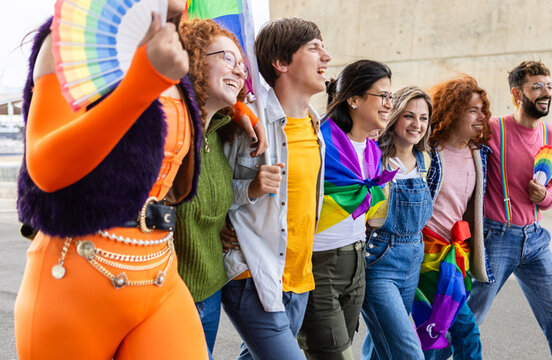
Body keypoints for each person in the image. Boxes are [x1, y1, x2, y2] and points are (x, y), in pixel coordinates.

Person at [14, 3, 209, 359]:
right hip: (74, 279)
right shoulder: (70, 39)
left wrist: (240, 111)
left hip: (160, 272)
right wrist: (143, 82)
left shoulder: (167, 49)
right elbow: (45, 168)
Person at [220, 17, 330, 360]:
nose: (326, 57)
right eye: (314, 48)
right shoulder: (248, 123)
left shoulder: (314, 123)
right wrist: (247, 191)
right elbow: (211, 185)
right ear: (281, 63)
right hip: (254, 277)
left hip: (299, 280)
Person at [468, 61, 552, 359]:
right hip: (495, 238)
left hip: (535, 240)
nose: (545, 93)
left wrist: (544, 195)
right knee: (467, 321)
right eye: (537, 87)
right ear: (517, 94)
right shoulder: (493, 129)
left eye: (549, 86)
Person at [297, 59, 396, 360]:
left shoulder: (373, 151)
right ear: (353, 99)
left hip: (357, 264)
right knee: (335, 354)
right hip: (318, 266)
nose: (389, 104)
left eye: (391, 97)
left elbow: (374, 218)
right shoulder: (320, 143)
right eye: (382, 96)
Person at [175, 18, 256, 359]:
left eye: (241, 64)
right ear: (193, 59)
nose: (239, 70)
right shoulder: (172, 128)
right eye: (228, 58)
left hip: (210, 291)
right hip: (169, 297)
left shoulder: (220, 129)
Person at [416, 76, 492, 360]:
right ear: (452, 111)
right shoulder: (428, 151)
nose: (481, 117)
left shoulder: (478, 155)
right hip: (425, 255)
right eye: (473, 110)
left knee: (432, 331)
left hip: (454, 257)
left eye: (483, 110)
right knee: (462, 331)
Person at [360, 86, 434, 360]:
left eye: (424, 118)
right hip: (380, 262)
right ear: (395, 117)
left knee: (381, 348)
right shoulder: (374, 156)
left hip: (413, 258)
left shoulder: (425, 161)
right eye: (409, 116)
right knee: (408, 352)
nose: (417, 125)